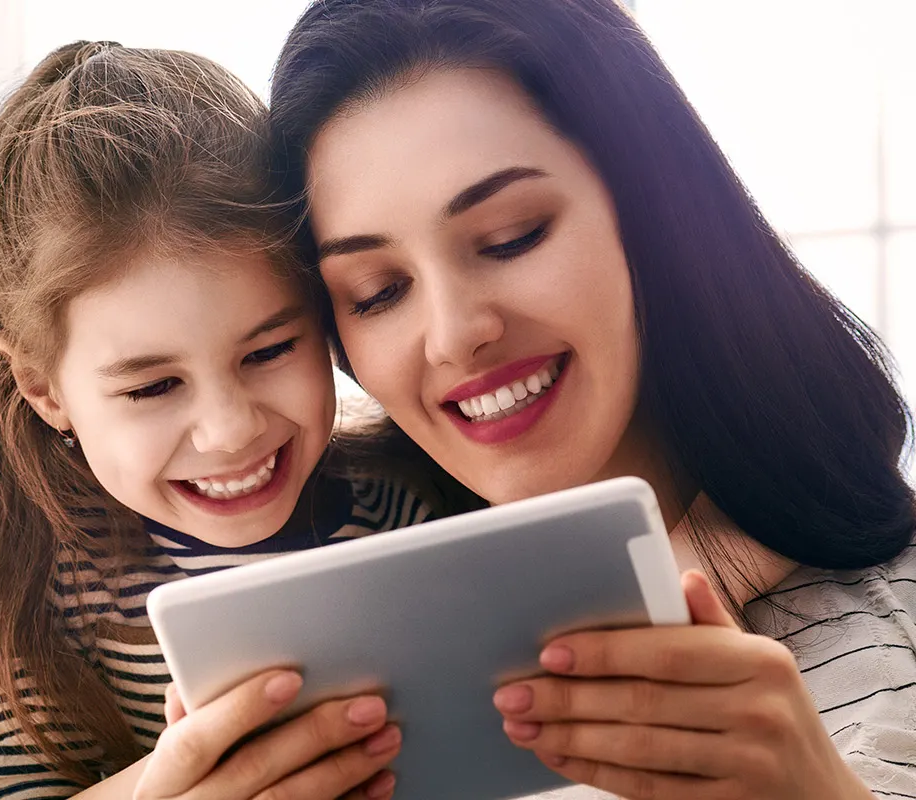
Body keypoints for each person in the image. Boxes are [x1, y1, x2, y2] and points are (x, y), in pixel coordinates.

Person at [266, 1, 916, 796]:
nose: (453, 335)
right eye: (377, 291)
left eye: (511, 236)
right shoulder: (343, 684)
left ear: (652, 211)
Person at [0, 41, 438, 800]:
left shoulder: (407, 509)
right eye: (152, 389)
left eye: (271, 349)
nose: (230, 430)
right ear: (43, 388)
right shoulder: (24, 566)